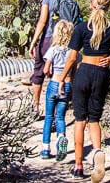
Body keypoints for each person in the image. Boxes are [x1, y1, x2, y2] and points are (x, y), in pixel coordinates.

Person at [60, 0, 110, 182]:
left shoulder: (82, 27)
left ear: (91, 5)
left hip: (84, 71)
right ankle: (97, 152)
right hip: (101, 74)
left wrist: (62, 78)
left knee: (79, 120)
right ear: (107, 6)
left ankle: (78, 166)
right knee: (94, 119)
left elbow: (71, 58)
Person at [28, 0, 66, 115]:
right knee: (56, 74)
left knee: (38, 72)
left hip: (48, 39)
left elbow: (42, 22)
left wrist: (33, 43)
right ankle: (56, 113)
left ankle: (36, 107)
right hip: (63, 42)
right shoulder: (69, 1)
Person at [40, 19, 75, 161]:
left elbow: (46, 69)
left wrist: (50, 74)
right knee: (60, 117)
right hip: (67, 85)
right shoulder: (73, 52)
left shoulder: (53, 49)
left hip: (54, 83)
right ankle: (61, 138)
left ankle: (45, 149)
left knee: (49, 117)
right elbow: (74, 71)